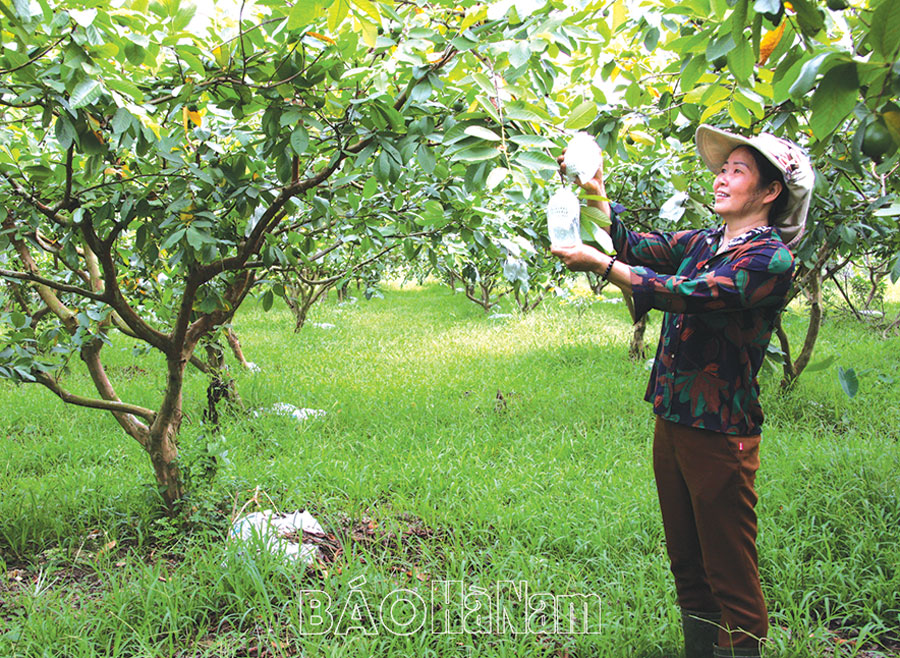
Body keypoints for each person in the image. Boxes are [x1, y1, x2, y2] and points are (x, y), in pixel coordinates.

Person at [552, 124, 815, 658]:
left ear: (769, 192)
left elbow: (688, 295)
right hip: (673, 418)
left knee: (729, 566)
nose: (721, 177)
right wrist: (595, 189)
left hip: (720, 432)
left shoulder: (768, 260)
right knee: (687, 559)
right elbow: (636, 246)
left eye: (737, 170)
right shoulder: (703, 241)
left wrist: (603, 266)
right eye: (722, 168)